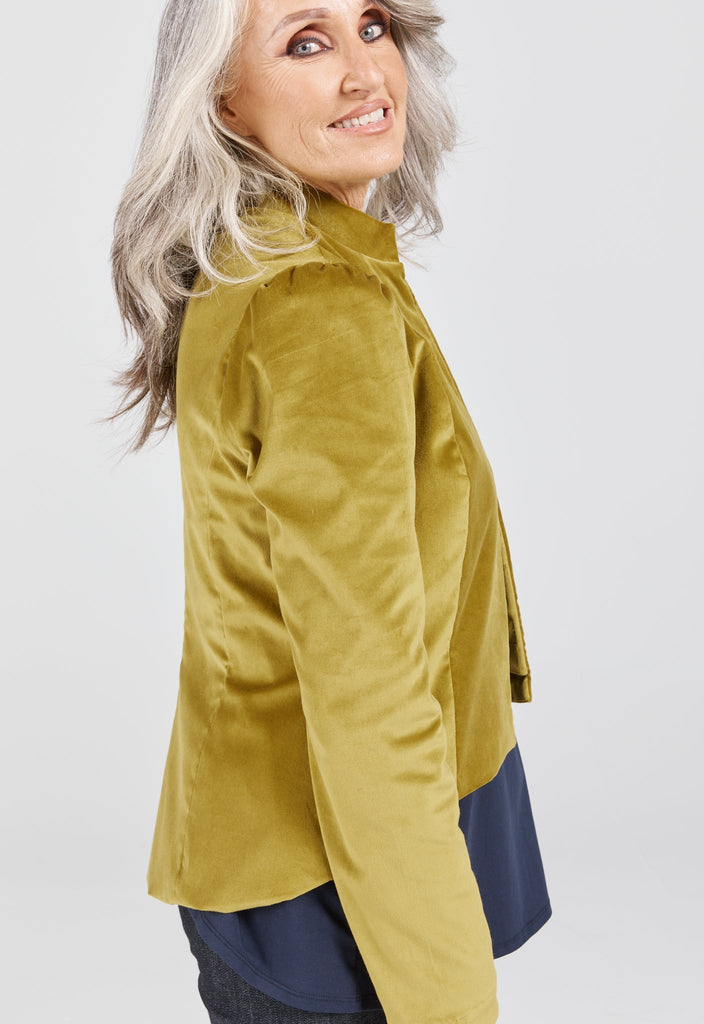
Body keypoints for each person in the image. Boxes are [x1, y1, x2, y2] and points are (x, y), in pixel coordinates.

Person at [110, 1, 551, 1022]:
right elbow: (367, 704)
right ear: (222, 100)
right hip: (332, 893)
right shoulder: (318, 306)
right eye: (305, 42)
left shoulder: (263, 263)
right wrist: (450, 1004)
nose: (364, 70)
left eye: (370, 26)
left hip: (265, 860)